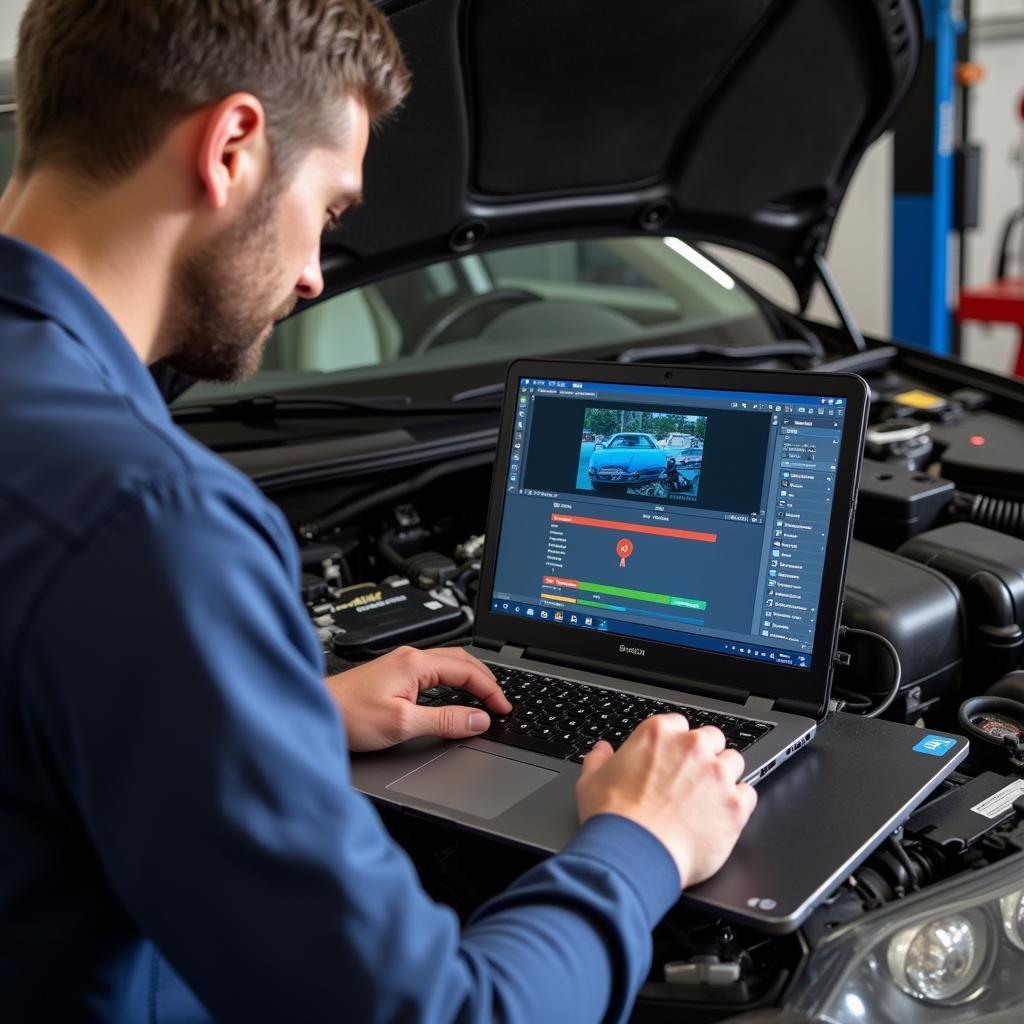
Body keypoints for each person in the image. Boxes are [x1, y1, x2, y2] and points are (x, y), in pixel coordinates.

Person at [0, 2, 756, 1021]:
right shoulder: (152, 523)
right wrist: (642, 840)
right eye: (331, 209)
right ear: (230, 147)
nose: (316, 272)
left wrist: (287, 716)